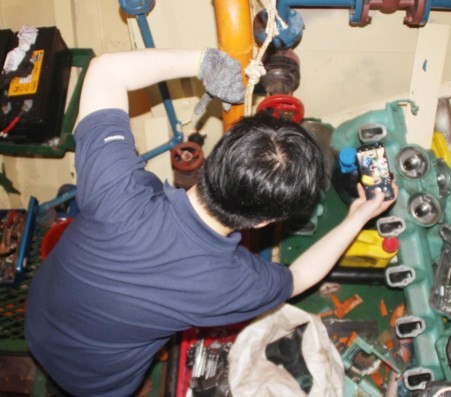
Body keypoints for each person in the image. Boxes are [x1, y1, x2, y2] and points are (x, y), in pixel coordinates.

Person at [24, 48, 397, 396]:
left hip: (37, 322)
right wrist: (359, 215)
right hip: (94, 383)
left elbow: (105, 70)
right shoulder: (232, 284)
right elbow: (298, 277)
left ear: (216, 156)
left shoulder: (115, 193)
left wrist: (204, 60)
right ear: (267, 220)